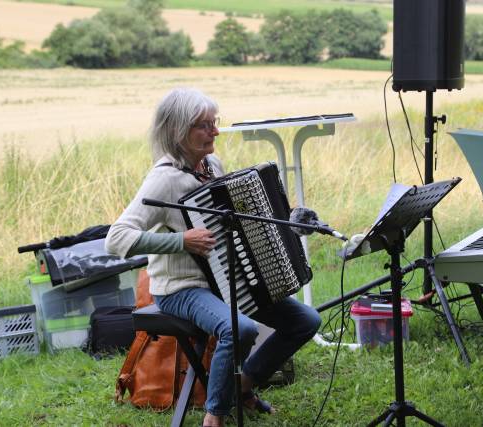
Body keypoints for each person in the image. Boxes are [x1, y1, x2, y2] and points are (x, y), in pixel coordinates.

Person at [105, 87, 321, 427]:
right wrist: (180, 241)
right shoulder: (163, 179)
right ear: (179, 131)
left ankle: (243, 386)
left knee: (305, 321)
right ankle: (214, 416)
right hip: (180, 288)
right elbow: (115, 239)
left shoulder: (211, 164)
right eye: (205, 125)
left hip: (224, 279)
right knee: (240, 328)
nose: (215, 131)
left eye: (214, 122)